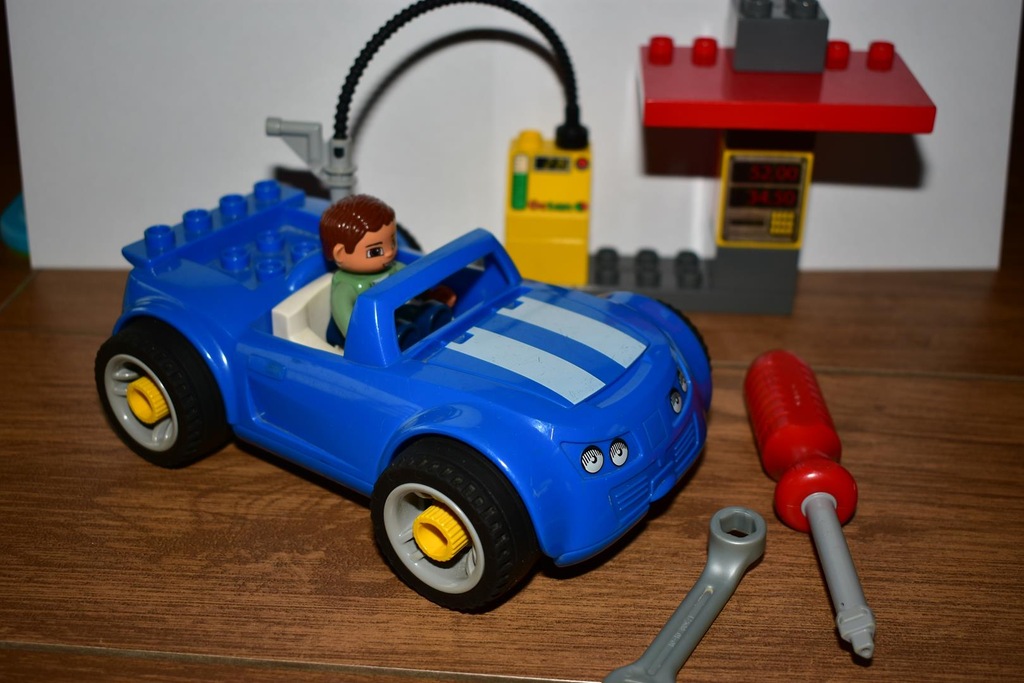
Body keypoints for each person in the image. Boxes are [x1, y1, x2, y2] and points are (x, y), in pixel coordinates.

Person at [319, 194, 403, 341]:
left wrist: (432, 292)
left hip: (394, 319)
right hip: (357, 335)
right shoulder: (347, 286)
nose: (389, 252)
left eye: (392, 243)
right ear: (340, 254)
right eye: (375, 251)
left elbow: (414, 277)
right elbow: (344, 317)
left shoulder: (393, 268)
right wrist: (362, 341)